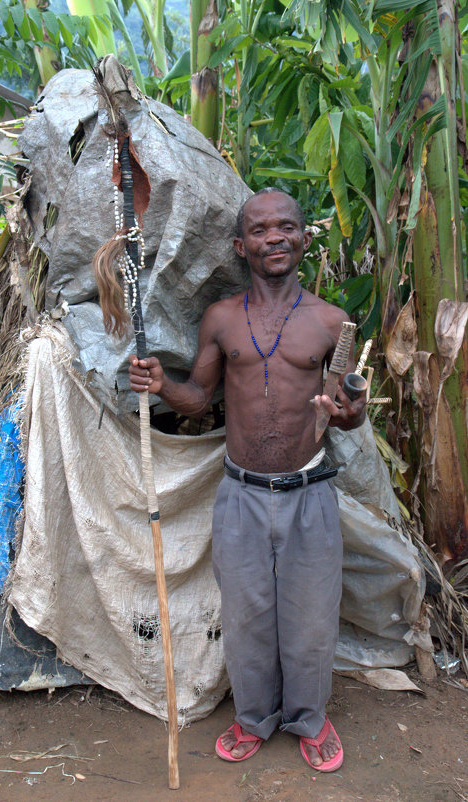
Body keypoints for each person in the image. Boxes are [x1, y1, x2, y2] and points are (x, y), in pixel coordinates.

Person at [129, 189, 366, 771]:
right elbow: (196, 399)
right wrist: (161, 383)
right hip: (240, 495)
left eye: (286, 226)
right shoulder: (222, 318)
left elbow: (349, 407)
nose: (275, 237)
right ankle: (254, 718)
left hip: (309, 494)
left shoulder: (333, 323)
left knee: (311, 618)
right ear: (242, 246)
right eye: (260, 230)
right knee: (246, 616)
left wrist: (350, 407)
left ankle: (309, 719)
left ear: (304, 239)